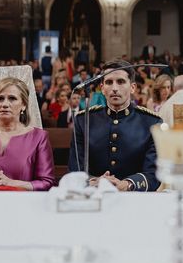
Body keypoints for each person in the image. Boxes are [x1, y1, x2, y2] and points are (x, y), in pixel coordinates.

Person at [68, 59, 162, 192]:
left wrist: (127, 184)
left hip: (134, 199)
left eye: (121, 81)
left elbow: (153, 174)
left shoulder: (151, 123)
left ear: (133, 87)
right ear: (102, 88)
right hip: (94, 196)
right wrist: (95, 181)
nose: (114, 88)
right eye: (109, 82)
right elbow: (75, 168)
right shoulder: (84, 120)